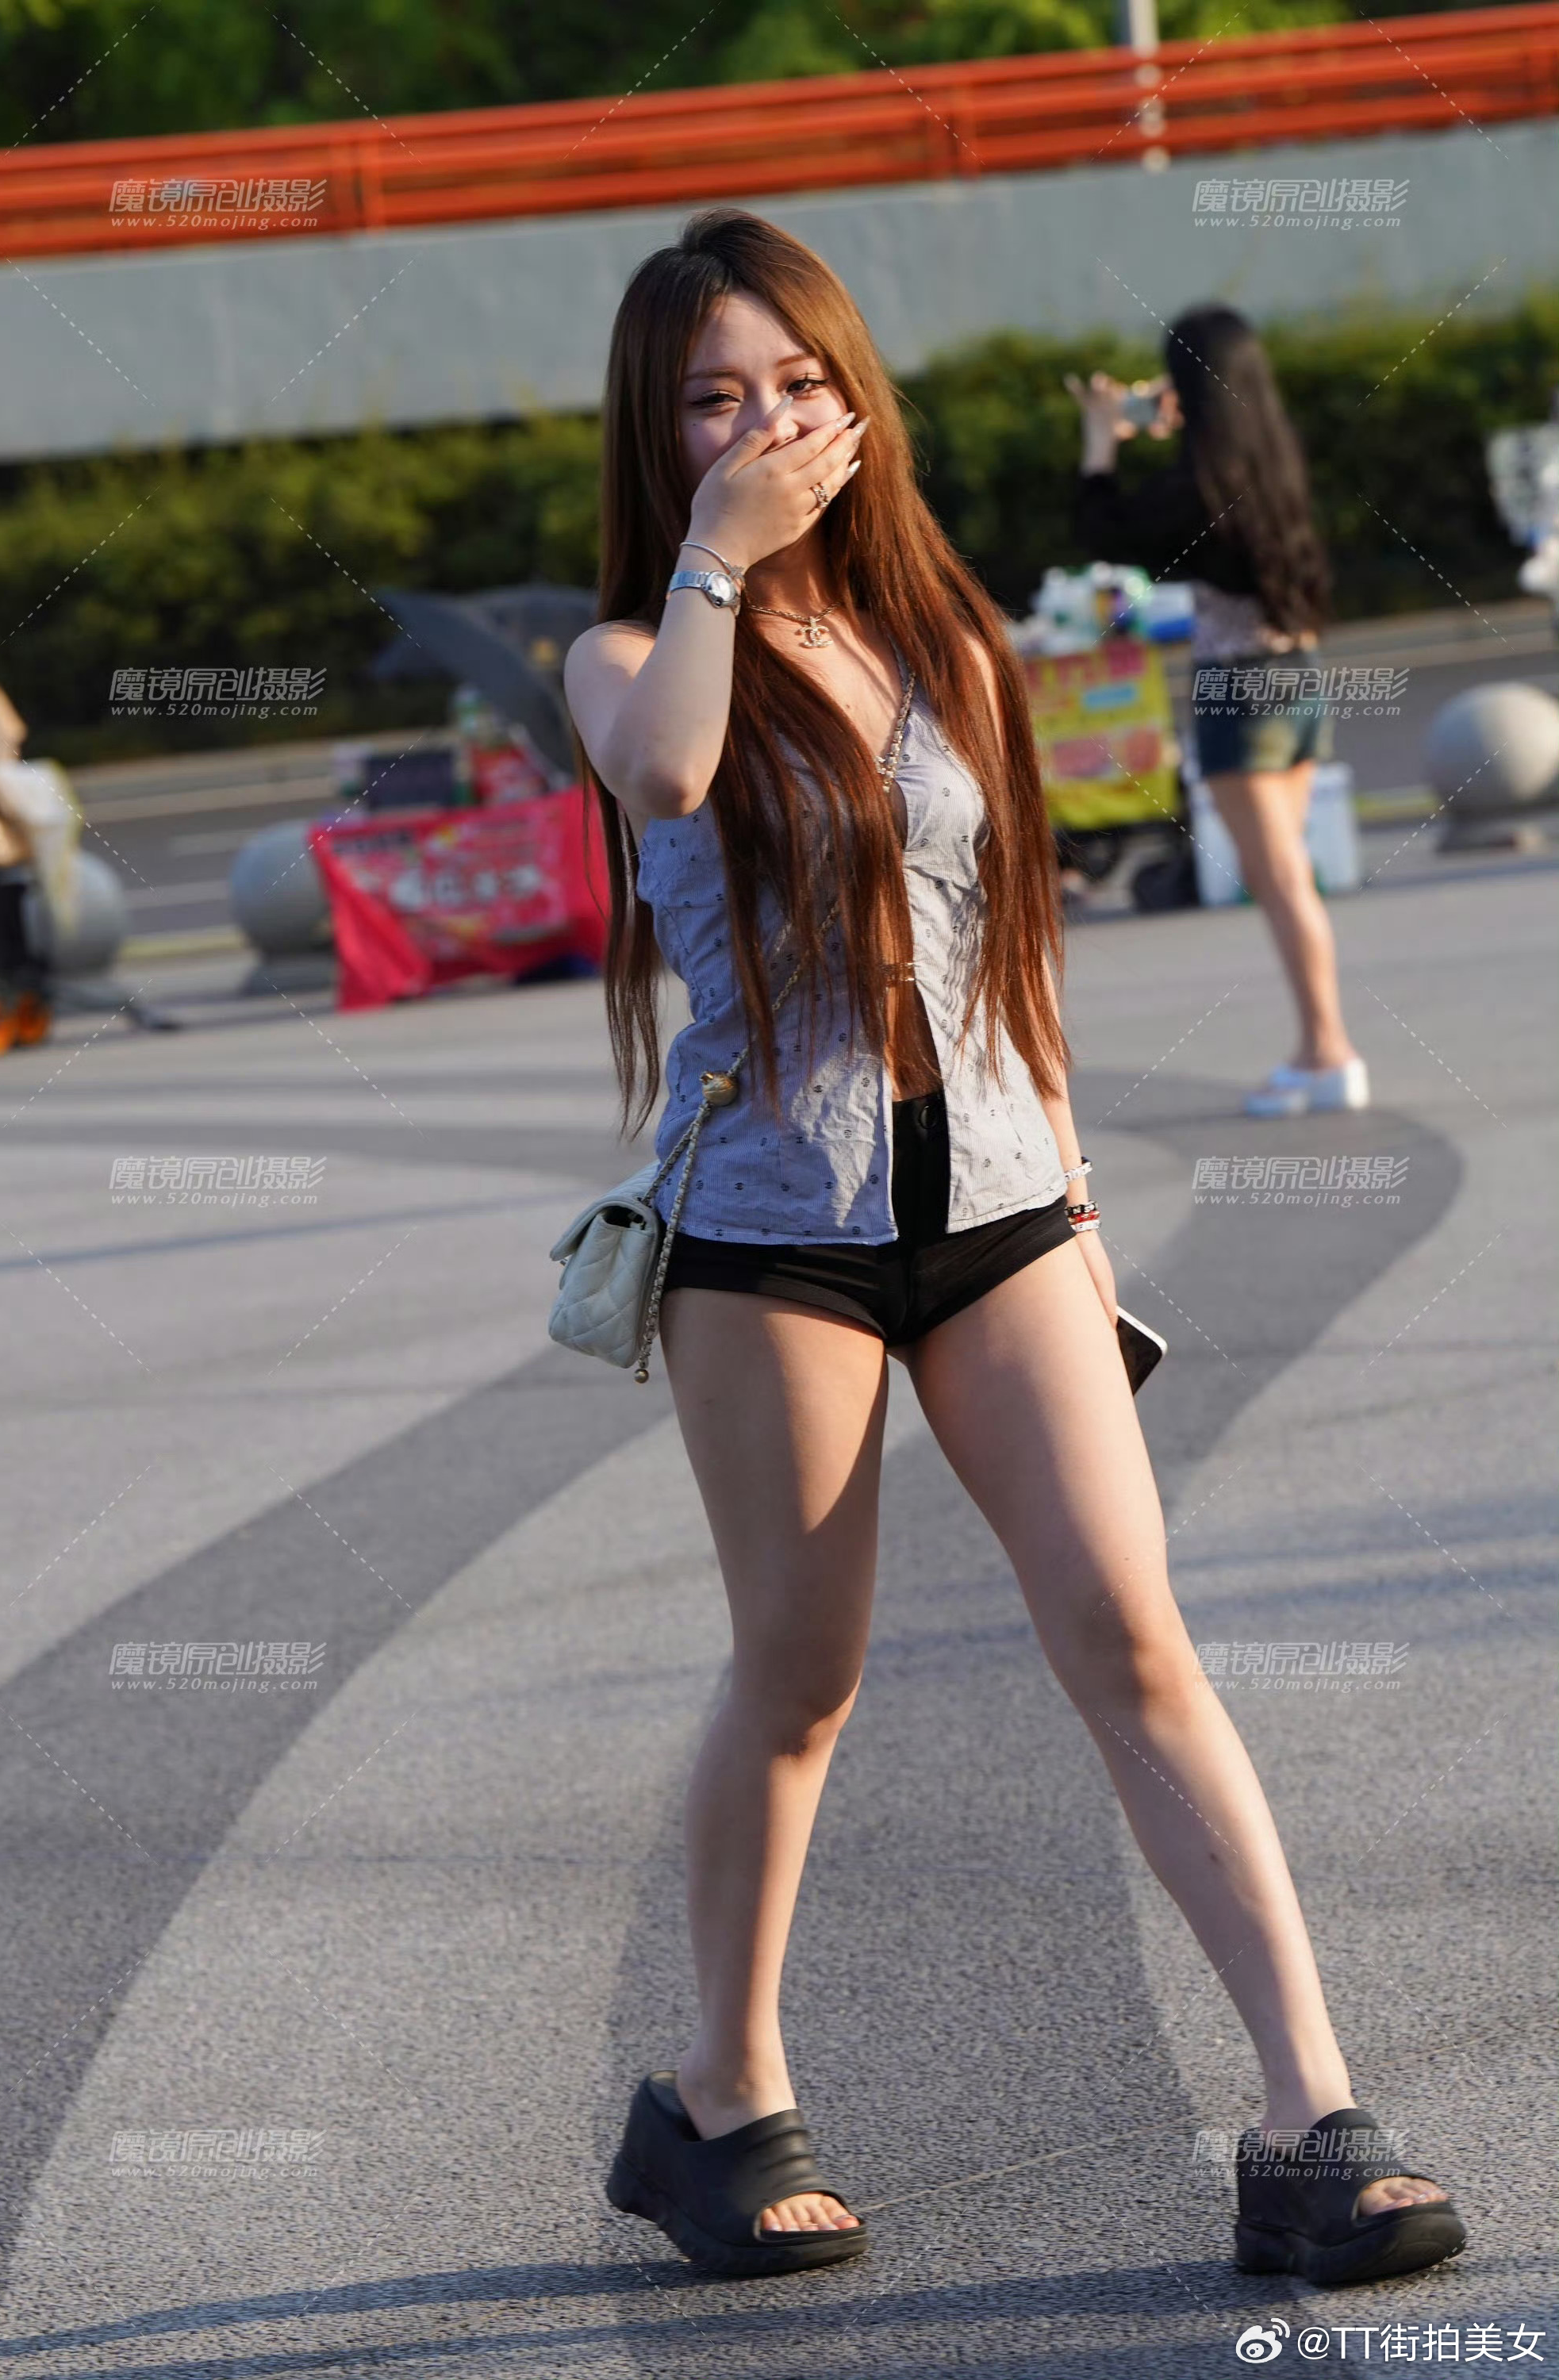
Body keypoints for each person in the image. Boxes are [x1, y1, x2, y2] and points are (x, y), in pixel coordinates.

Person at [564, 209, 1463, 2286]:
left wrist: (1069, 1191)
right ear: (658, 436)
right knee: (803, 1678)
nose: (768, 424)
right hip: (771, 1231)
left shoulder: (947, 640)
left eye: (800, 383)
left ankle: (1310, 2118)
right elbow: (669, 767)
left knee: (1135, 1638)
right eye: (714, 399)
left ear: (856, 397)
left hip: (1000, 1209)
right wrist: (717, 558)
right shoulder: (631, 650)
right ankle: (719, 2098)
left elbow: (1005, 950)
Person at [1067, 308, 1369, 1118]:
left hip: (1236, 686)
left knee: (1280, 883)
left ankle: (1326, 1051)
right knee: (1287, 876)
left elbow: (1107, 533)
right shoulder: (1271, 459)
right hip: (1297, 674)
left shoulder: (1200, 485)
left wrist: (1099, 438)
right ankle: (1321, 1047)